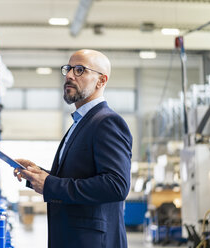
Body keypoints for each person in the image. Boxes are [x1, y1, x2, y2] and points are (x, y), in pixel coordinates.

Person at [13, 49, 132, 248]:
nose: (69, 75)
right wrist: (38, 174)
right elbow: (80, 175)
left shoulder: (106, 122)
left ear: (101, 81)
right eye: (68, 69)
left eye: (79, 70)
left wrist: (50, 185)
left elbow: (116, 185)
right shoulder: (82, 122)